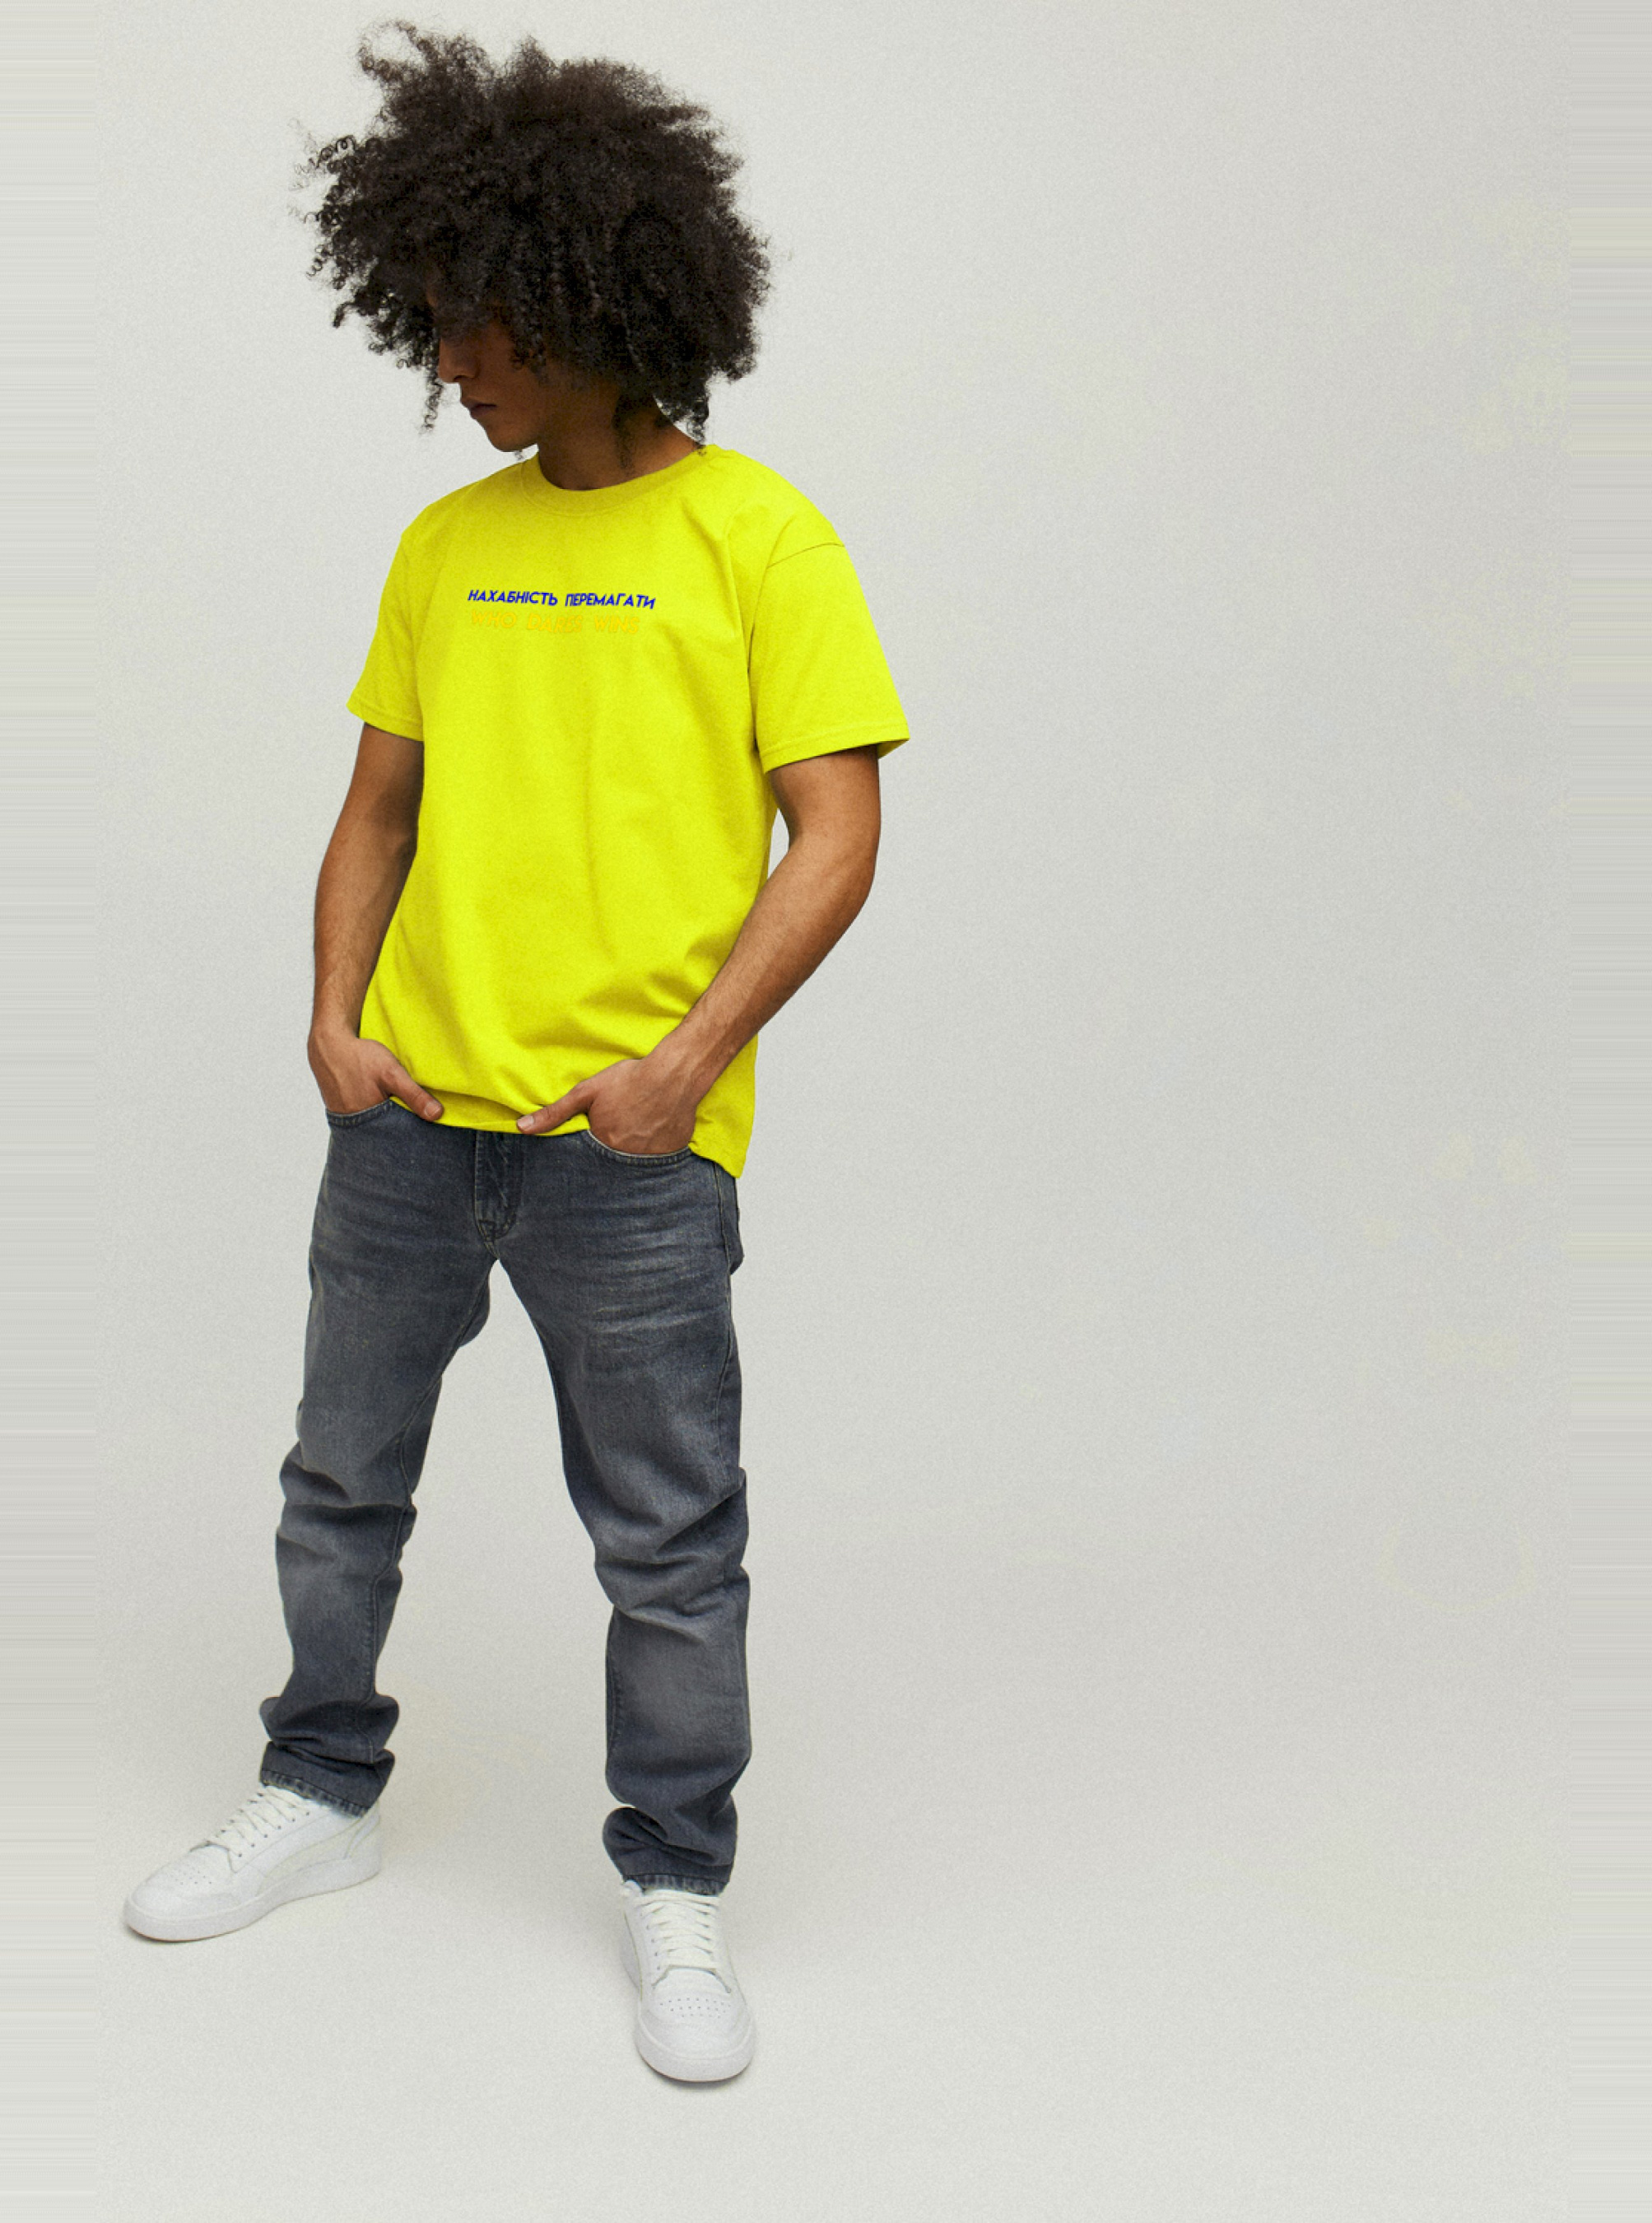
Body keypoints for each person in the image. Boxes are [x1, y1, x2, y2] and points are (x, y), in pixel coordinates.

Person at [122, 29, 909, 2086]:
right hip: (408, 1121)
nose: (450, 359)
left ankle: (675, 1878)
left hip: (627, 1149)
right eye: (433, 318)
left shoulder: (760, 541)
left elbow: (837, 837)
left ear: (593, 302)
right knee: (339, 1483)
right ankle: (318, 1793)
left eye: (482, 321)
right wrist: (329, 1019)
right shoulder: (445, 543)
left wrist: (684, 1066)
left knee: (668, 1539)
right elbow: (374, 810)